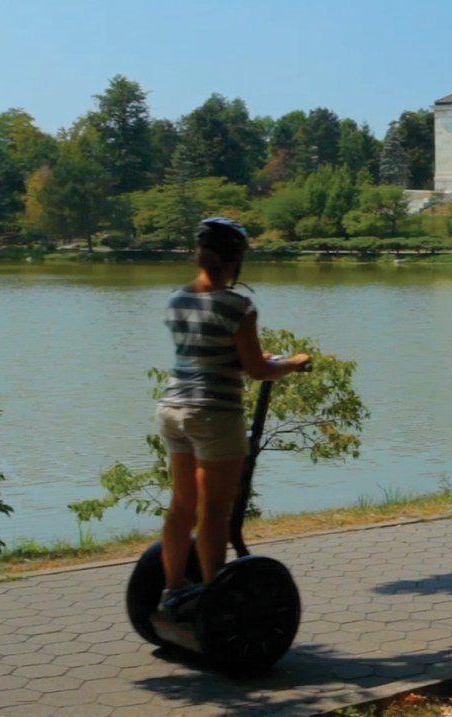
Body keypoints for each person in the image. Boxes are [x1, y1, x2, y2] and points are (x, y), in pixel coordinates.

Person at [155, 217, 310, 615]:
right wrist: (293, 363)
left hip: (172, 408)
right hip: (213, 413)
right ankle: (214, 598)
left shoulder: (176, 299)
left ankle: (172, 590)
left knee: (182, 505)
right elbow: (258, 370)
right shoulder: (239, 306)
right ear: (236, 259)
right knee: (215, 512)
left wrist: (246, 359)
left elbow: (205, 351)